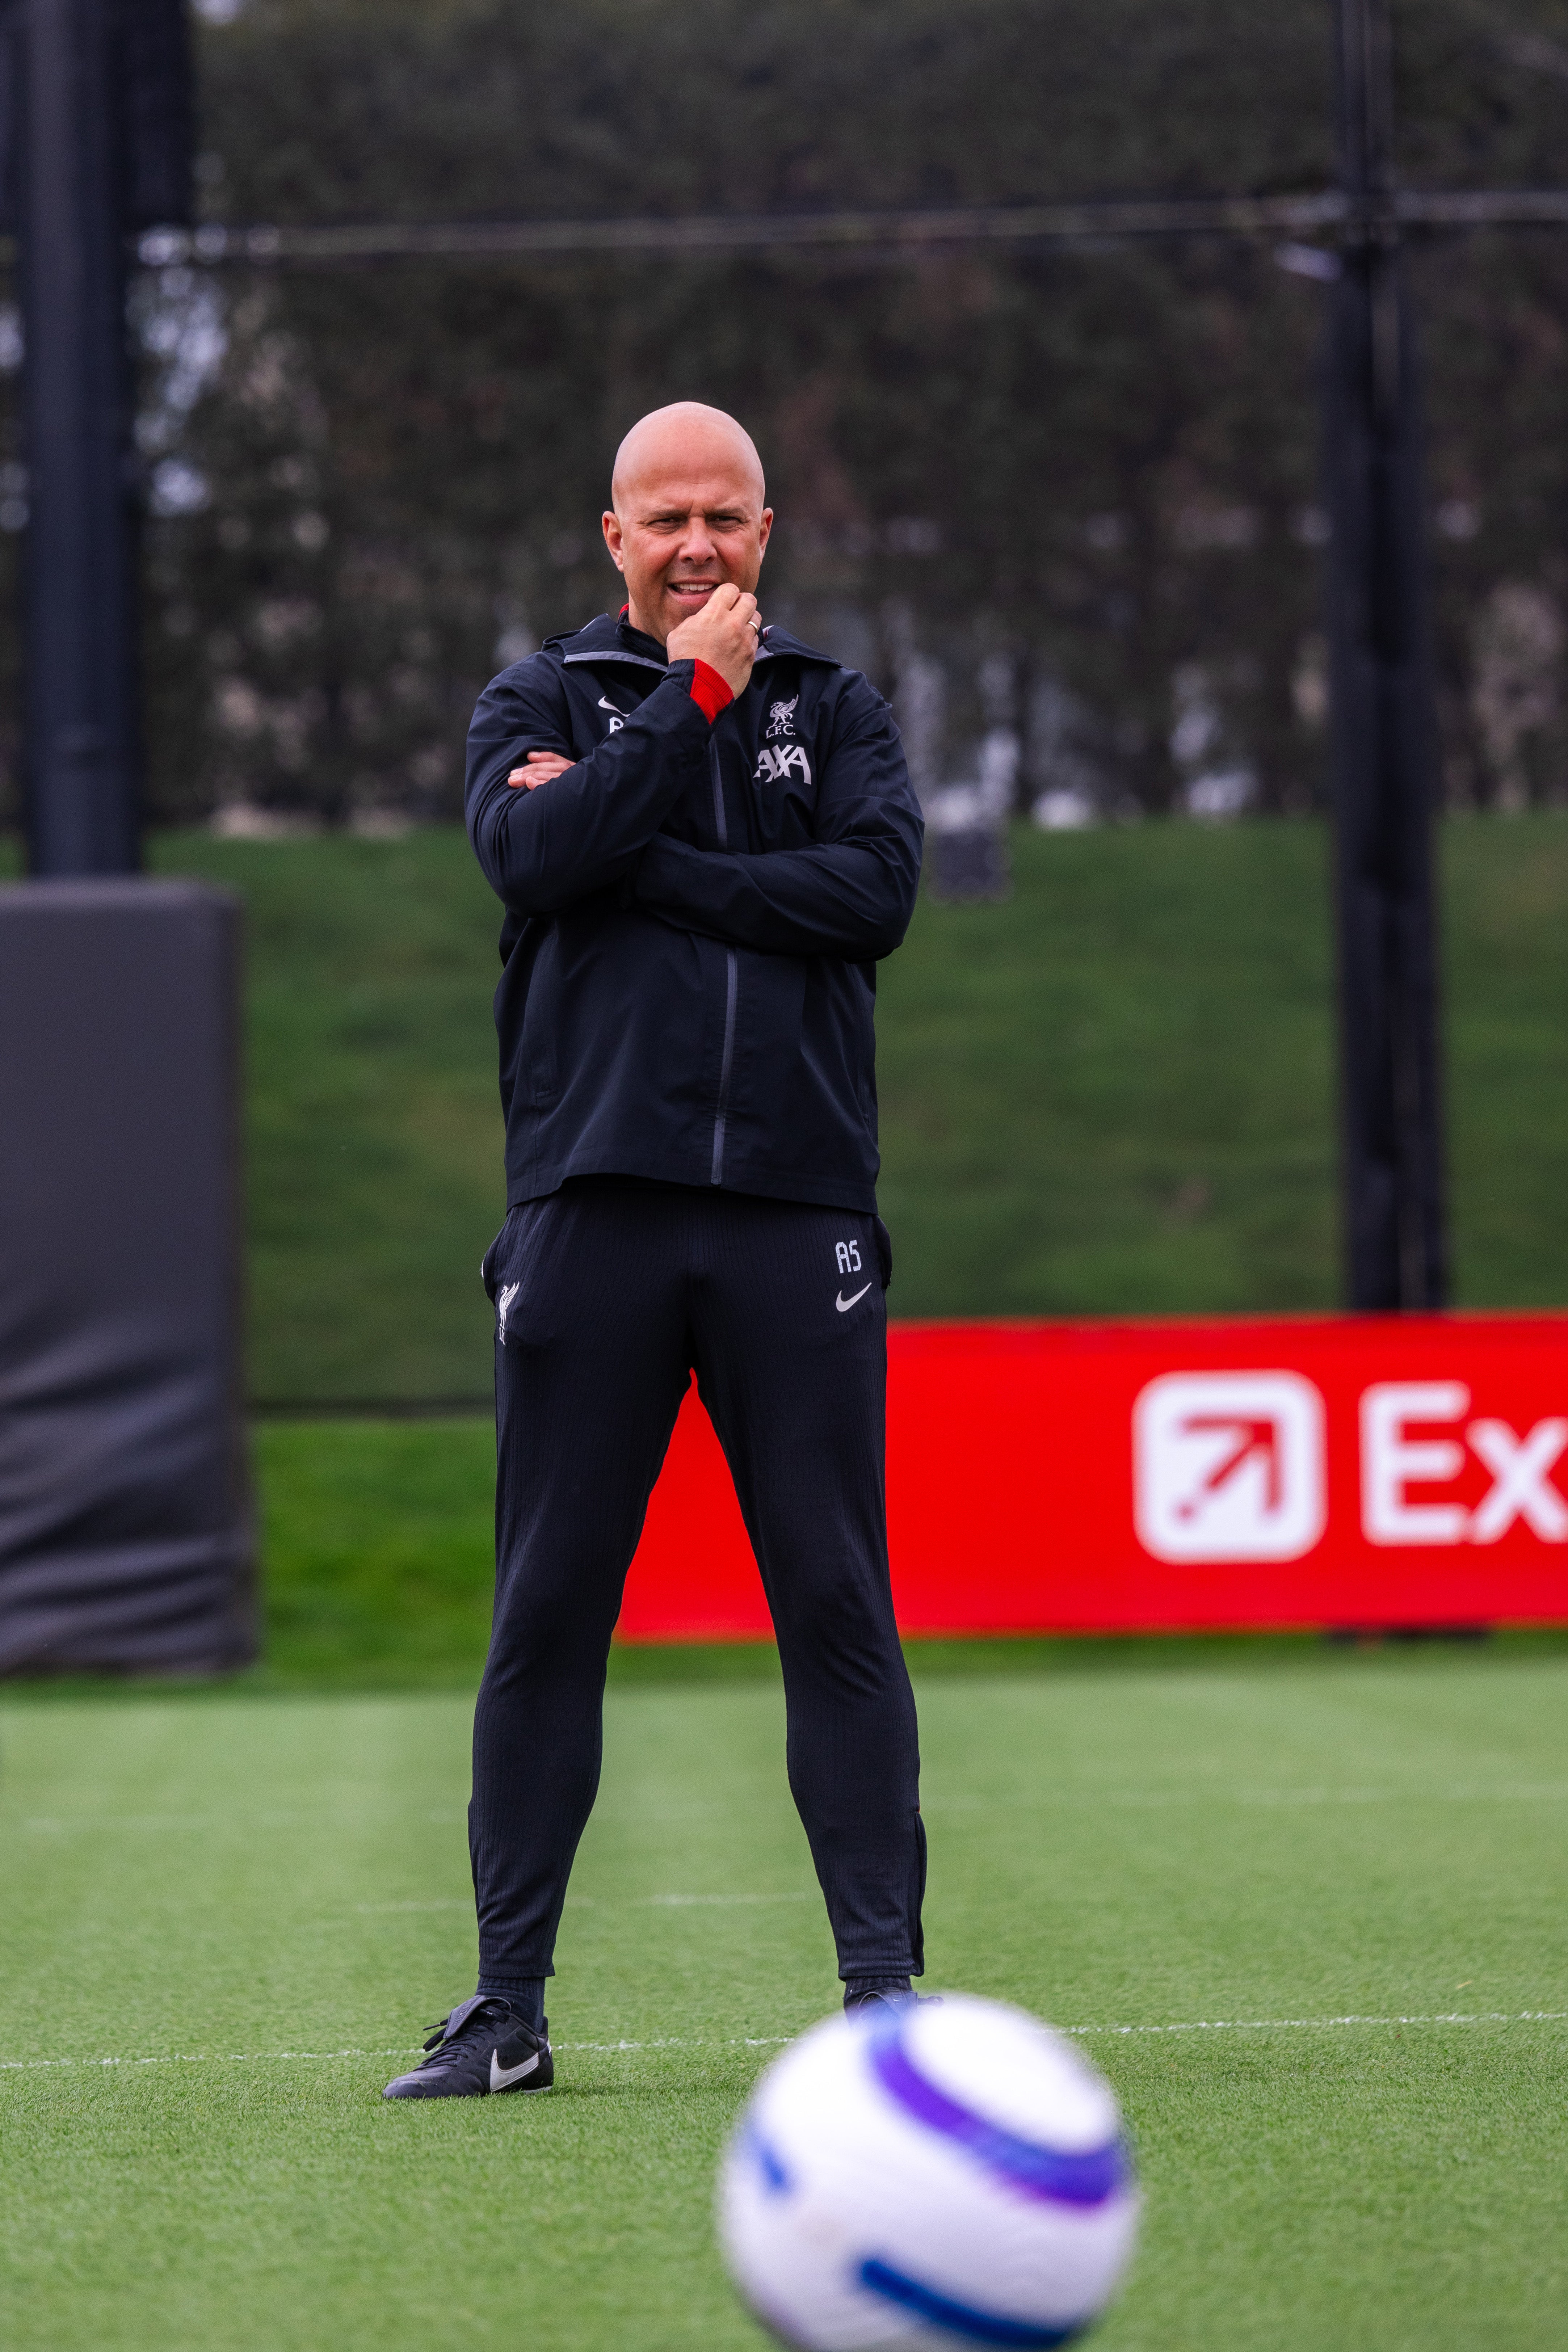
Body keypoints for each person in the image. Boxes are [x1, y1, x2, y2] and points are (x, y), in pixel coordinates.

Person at [383, 401, 926, 2100]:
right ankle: (505, 2012)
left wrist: (654, 862)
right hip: (590, 1207)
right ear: (609, 531)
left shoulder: (836, 707)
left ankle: (887, 1999)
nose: (698, 543)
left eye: (728, 515)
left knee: (837, 1600)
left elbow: (875, 894)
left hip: (796, 1210)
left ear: (769, 529)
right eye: (665, 515)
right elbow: (533, 853)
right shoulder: (534, 703)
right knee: (548, 1608)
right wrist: (684, 705)